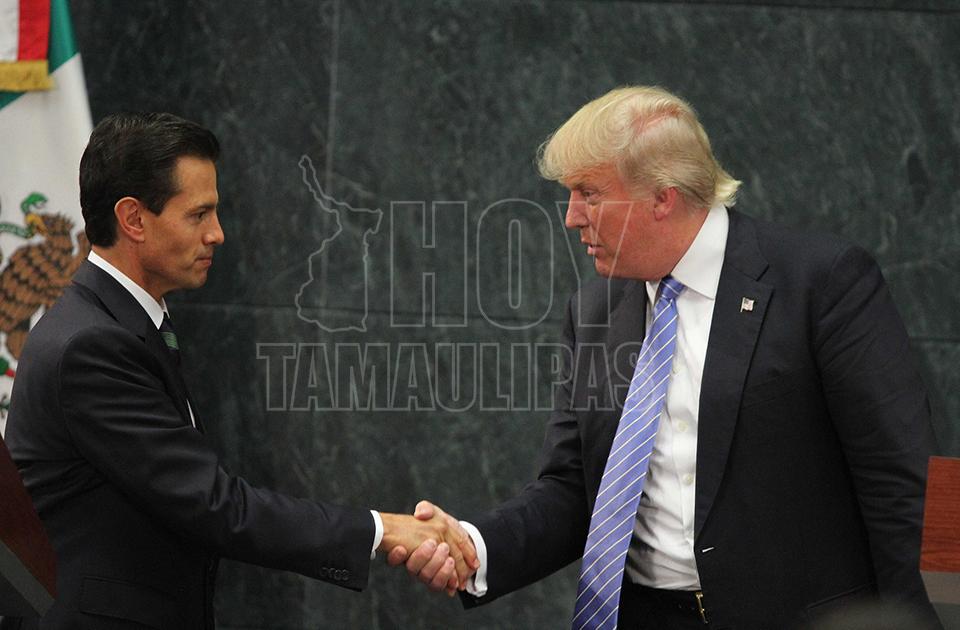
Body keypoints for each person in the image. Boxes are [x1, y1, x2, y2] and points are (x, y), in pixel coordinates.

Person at [402, 86, 941, 629]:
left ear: (663, 197)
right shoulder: (594, 311)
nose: (571, 217)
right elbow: (575, 491)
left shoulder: (822, 283)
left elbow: (910, 479)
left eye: (589, 194)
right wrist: (472, 546)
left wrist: (941, 617)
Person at [2, 112, 476, 630]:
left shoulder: (120, 323)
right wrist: (382, 530)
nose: (218, 234)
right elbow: (214, 506)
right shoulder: (92, 345)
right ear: (133, 219)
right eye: (198, 214)